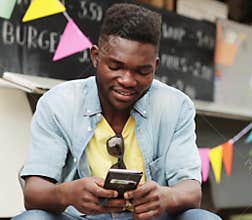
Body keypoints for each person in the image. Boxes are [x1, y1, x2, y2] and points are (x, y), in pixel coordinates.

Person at [13, 3, 221, 220]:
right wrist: (68, 193)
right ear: (95, 57)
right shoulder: (58, 104)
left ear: (155, 66)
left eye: (142, 71)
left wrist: (167, 197)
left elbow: (191, 191)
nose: (127, 80)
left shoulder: (176, 107)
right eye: (115, 67)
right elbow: (34, 193)